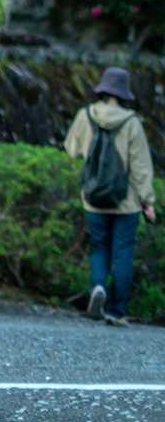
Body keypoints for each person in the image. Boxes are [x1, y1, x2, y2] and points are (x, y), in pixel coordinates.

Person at [64, 65, 157, 326]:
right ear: (124, 93)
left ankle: (97, 288)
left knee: (98, 248)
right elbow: (140, 168)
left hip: (93, 198)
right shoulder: (132, 122)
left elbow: (72, 149)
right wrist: (147, 201)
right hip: (125, 202)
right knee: (122, 254)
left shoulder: (86, 115)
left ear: (103, 89)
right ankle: (116, 311)